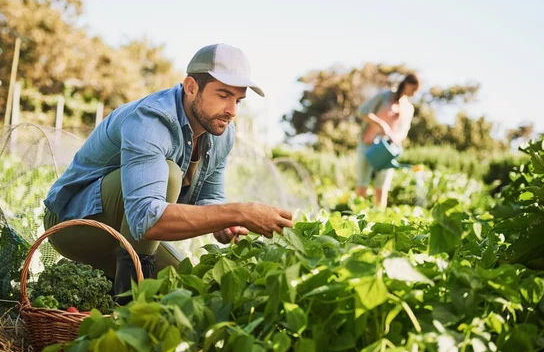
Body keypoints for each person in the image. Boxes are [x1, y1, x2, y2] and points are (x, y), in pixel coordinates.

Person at [43, 43, 294, 298]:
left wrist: (225, 225)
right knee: (170, 173)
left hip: (128, 236)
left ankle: (104, 282)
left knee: (187, 289)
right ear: (191, 87)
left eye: (238, 100)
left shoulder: (222, 133)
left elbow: (210, 198)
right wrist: (240, 212)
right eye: (223, 95)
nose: (232, 110)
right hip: (73, 223)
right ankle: (128, 303)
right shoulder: (151, 120)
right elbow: (145, 218)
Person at [355, 73, 420, 208]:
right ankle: (358, 215)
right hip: (368, 143)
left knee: (382, 186)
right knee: (363, 182)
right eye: (413, 88)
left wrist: (394, 137)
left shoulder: (408, 108)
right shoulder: (384, 96)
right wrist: (381, 125)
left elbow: (404, 130)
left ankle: (379, 216)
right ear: (407, 84)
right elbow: (363, 112)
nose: (415, 92)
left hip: (386, 149)